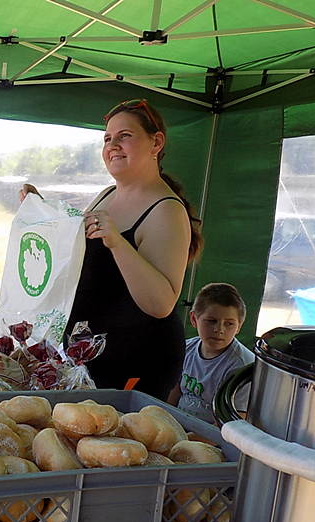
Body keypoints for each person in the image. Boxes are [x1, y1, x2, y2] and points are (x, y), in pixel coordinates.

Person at [63, 98, 204, 400]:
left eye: (124, 136)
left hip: (136, 363)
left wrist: (116, 242)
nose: (113, 145)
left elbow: (160, 303)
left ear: (156, 143)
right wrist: (41, 212)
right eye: (107, 139)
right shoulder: (107, 194)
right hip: (90, 357)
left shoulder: (166, 210)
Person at [168, 283, 255, 423]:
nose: (219, 329)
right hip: (179, 426)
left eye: (229, 323)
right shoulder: (186, 348)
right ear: (194, 319)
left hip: (213, 439)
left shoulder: (242, 366)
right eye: (211, 321)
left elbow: (234, 420)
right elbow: (174, 391)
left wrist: (188, 441)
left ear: (239, 326)